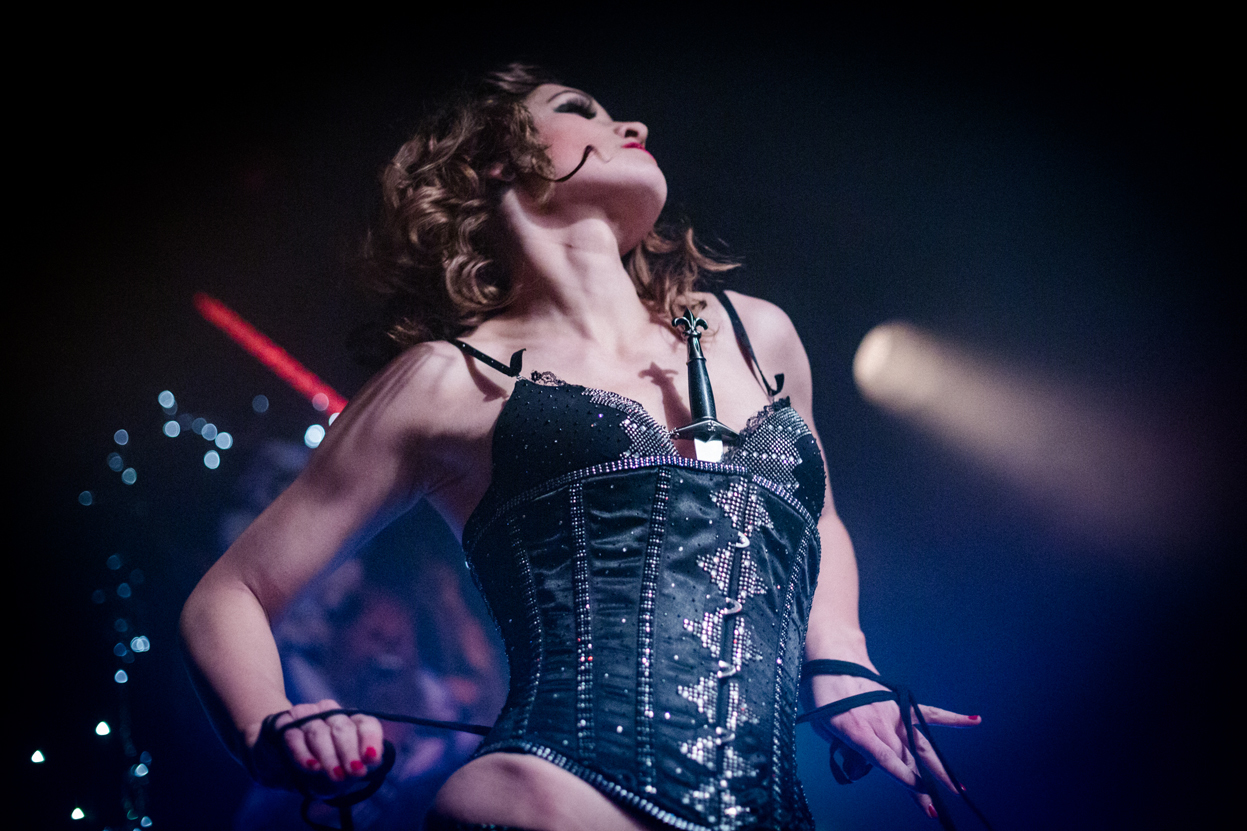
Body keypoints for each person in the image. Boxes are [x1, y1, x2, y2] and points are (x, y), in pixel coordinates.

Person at [181, 64, 980, 831]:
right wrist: (269, 728)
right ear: (495, 161)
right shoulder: (446, 379)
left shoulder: (755, 332)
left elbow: (820, 519)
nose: (631, 124)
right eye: (578, 109)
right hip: (546, 803)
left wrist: (840, 660)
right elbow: (231, 593)